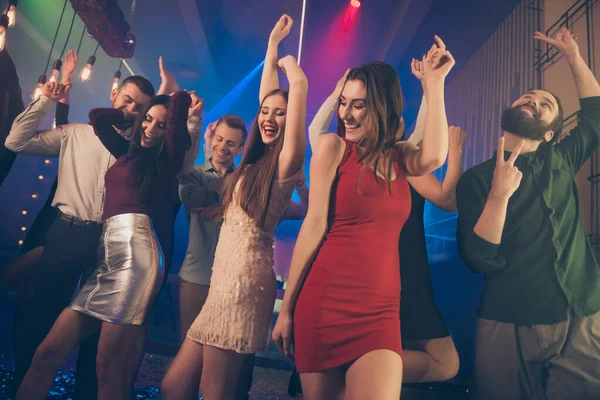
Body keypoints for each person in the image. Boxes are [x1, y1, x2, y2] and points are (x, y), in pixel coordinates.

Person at [273, 36, 454, 400]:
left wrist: (435, 85)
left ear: (382, 108)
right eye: (344, 104)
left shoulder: (403, 156)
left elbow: (434, 156)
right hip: (324, 302)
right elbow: (313, 226)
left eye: (359, 106)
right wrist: (287, 309)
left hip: (382, 310)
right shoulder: (333, 147)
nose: (346, 114)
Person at [161, 14, 308, 400]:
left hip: (243, 282)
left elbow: (294, 95)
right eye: (266, 112)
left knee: (215, 391)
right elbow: (268, 96)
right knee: (174, 386)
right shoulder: (255, 163)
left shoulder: (286, 162)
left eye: (281, 113)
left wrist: (294, 73)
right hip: (222, 280)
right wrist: (273, 46)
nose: (270, 117)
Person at [15, 90, 192, 400]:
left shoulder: (167, 160)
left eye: (160, 125)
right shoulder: (127, 152)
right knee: (46, 354)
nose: (151, 129)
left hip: (135, 260)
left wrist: (176, 98)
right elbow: (99, 118)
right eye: (147, 120)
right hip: (107, 259)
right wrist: (137, 116)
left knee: (106, 367)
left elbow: (177, 121)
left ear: (170, 131)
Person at [456, 27, 600, 400]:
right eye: (528, 97)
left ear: (550, 133)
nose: (533, 101)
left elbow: (596, 116)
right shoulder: (475, 180)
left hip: (581, 316)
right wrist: (499, 197)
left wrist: (574, 57)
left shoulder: (563, 159)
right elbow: (478, 259)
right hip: (508, 321)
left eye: (544, 104)